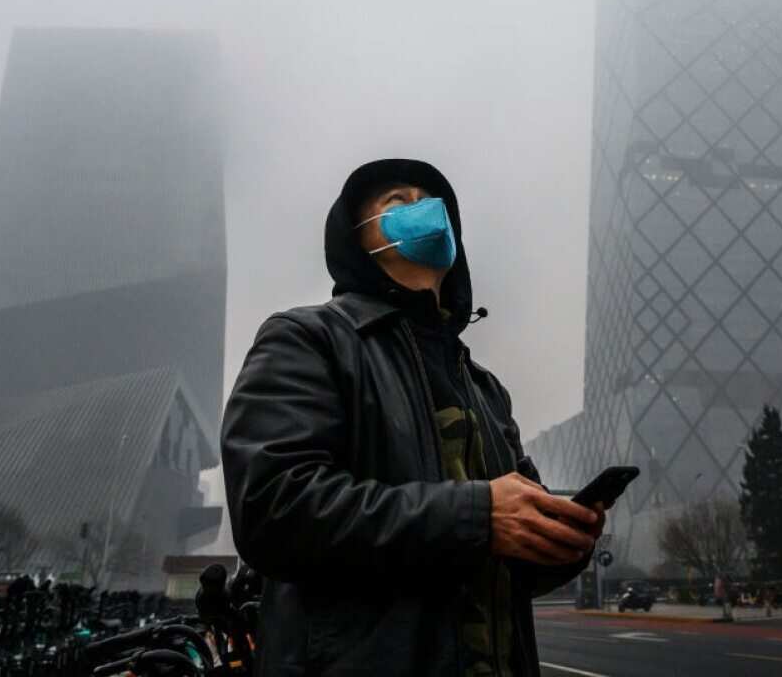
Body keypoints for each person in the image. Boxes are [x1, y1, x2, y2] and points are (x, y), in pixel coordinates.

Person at [221, 159, 606, 676]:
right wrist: (477, 515)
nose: (422, 210)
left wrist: (559, 541)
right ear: (358, 239)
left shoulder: (484, 388)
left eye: (431, 201)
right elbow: (273, 507)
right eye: (397, 202)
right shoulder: (310, 340)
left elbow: (508, 564)